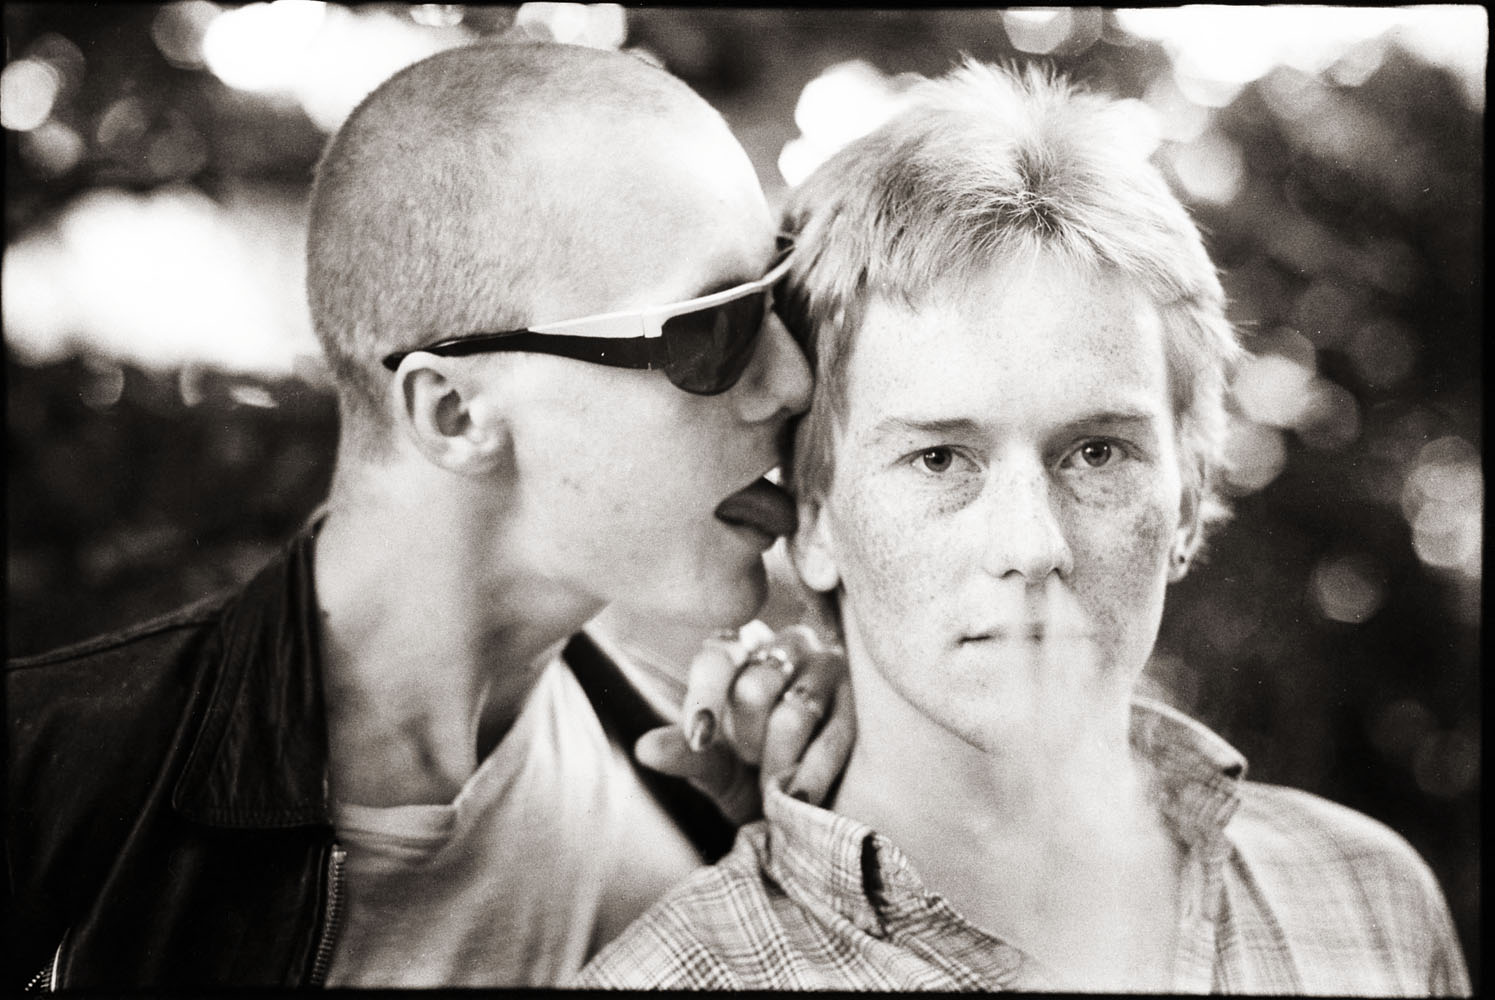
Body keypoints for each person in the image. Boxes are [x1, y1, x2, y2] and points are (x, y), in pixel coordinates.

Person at [577, 61, 1471, 994]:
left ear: (1187, 492)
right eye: (939, 459)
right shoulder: (674, 978)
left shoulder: (1368, 902)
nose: (1032, 547)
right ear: (813, 518)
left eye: (1096, 453)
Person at [5, 40, 853, 989]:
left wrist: (812, 870)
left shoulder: (711, 791)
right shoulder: (46, 802)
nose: (792, 380)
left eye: (779, 298)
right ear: (453, 414)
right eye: (713, 329)